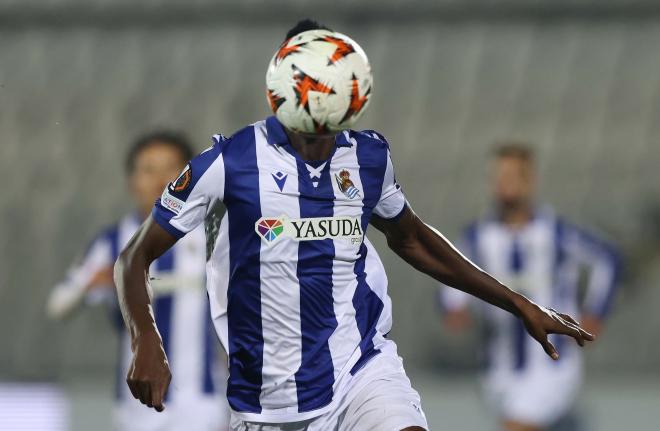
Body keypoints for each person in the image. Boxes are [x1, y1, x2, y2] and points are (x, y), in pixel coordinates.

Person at [114, 20, 595, 431]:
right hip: (266, 399)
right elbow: (133, 259)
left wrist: (518, 304)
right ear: (285, 87)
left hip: (360, 368)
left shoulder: (367, 156)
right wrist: (145, 337)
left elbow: (413, 239)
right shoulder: (228, 162)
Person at [47, 131, 230, 431]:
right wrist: (90, 284)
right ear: (132, 181)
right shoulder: (111, 243)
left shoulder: (216, 236)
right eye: (148, 170)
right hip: (138, 405)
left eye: (171, 167)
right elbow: (58, 305)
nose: (160, 179)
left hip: (202, 403)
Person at [439, 143, 620, 431]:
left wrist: (596, 311)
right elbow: (451, 271)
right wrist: (453, 306)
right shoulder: (478, 236)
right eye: (499, 176)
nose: (504, 184)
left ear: (529, 180)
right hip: (497, 367)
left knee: (518, 424)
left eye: (512, 176)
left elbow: (608, 259)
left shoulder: (556, 232)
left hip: (551, 365)